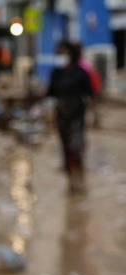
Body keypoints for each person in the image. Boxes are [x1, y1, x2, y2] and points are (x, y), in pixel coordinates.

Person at [47, 41, 93, 194]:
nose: (62, 56)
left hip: (77, 115)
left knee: (77, 146)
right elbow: (51, 94)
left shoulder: (81, 73)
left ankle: (80, 178)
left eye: (64, 53)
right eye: (60, 53)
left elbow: (90, 93)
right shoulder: (56, 73)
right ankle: (71, 183)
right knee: (65, 147)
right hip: (61, 115)